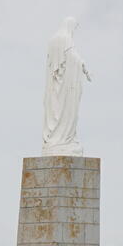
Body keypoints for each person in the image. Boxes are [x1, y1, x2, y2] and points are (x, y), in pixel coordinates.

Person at [42, 16, 91, 156]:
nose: (74, 31)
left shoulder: (53, 40)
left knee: (56, 110)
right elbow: (72, 56)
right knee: (66, 110)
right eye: (74, 28)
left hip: (56, 85)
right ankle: (63, 141)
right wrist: (84, 66)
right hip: (66, 85)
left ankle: (58, 140)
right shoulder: (65, 39)